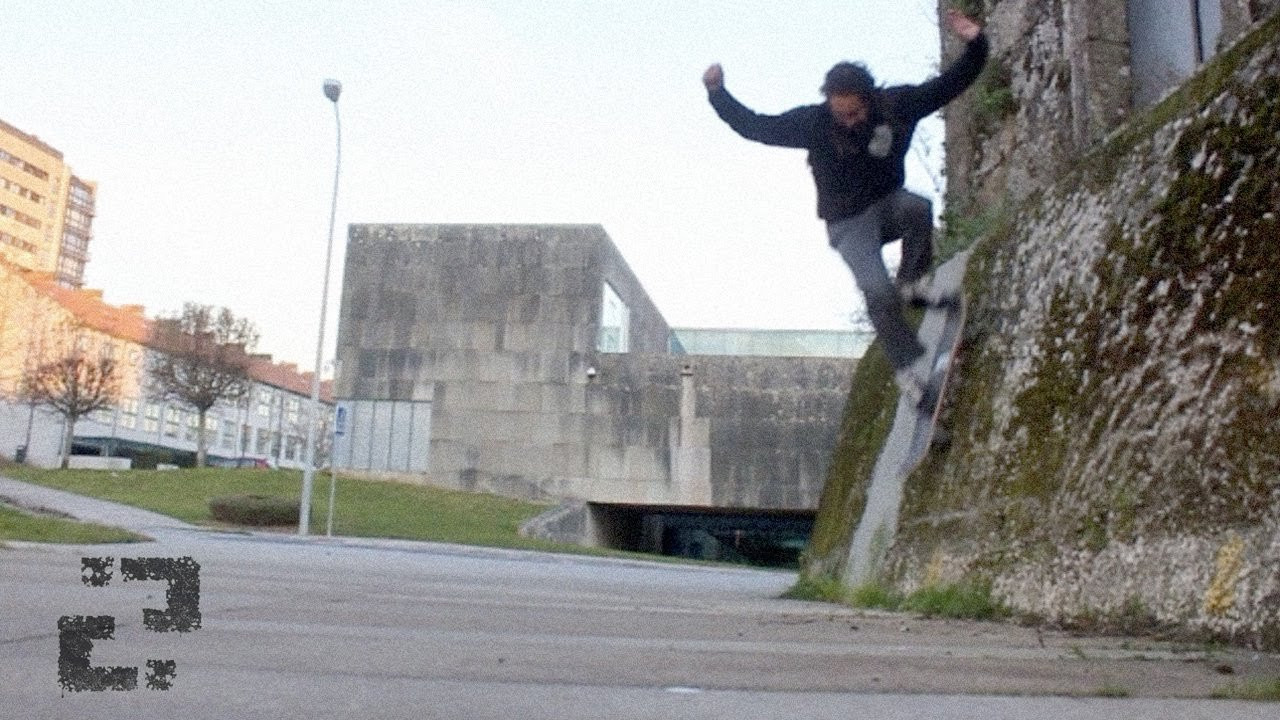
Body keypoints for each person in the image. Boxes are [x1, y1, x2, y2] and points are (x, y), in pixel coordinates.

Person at [702, 9, 988, 404]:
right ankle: (910, 372)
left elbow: (950, 85)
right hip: (847, 225)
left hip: (887, 205)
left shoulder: (896, 106)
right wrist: (718, 94)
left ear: (869, 100)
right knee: (876, 290)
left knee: (917, 208)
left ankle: (914, 284)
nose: (849, 121)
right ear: (829, 105)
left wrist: (976, 43)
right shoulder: (814, 124)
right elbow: (758, 127)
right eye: (841, 114)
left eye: (855, 113)